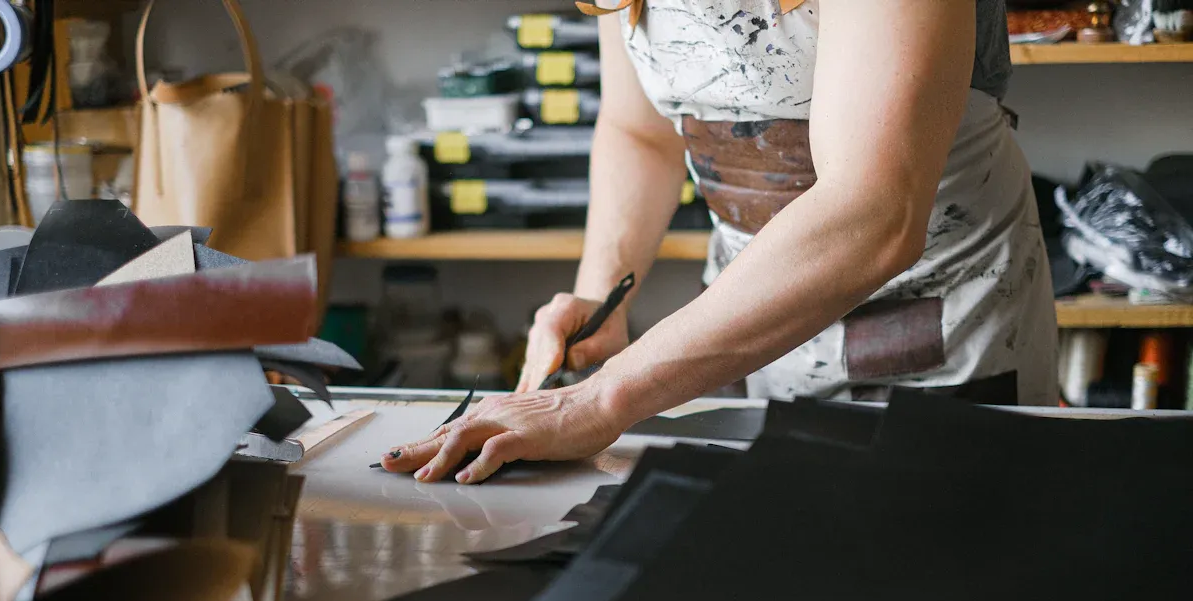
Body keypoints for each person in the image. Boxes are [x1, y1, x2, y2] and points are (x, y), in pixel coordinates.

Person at [381, 0, 1057, 483]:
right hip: (747, 320)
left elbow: (872, 213)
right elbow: (637, 132)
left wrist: (599, 398)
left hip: (935, 324)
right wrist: (601, 293)